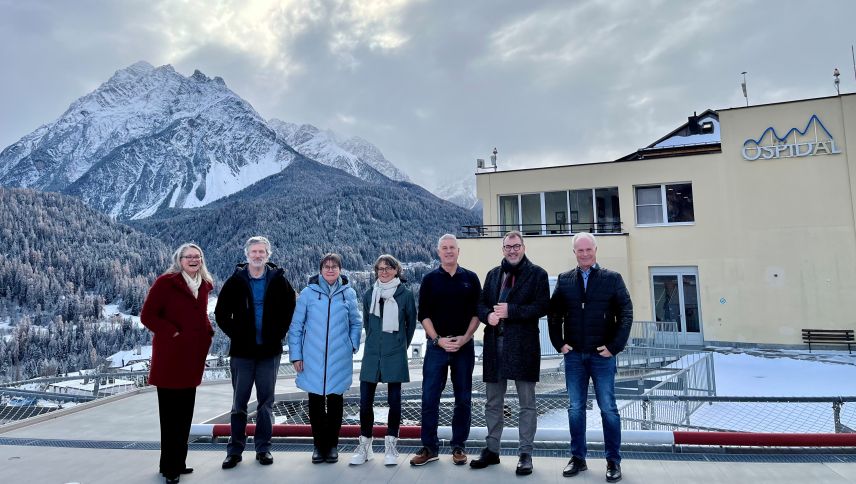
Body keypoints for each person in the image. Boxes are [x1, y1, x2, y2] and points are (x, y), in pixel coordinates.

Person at [548, 232, 633, 483]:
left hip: (602, 356)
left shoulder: (612, 279)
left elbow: (626, 313)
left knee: (608, 409)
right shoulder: (564, 280)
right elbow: (554, 314)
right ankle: (578, 458)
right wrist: (559, 343)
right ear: (574, 252)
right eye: (579, 250)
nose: (584, 254)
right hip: (574, 356)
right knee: (575, 409)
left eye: (588, 249)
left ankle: (613, 461)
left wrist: (614, 346)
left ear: (596, 249)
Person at [471, 231, 549, 476]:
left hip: (523, 348)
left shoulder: (538, 274)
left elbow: (542, 306)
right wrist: (488, 316)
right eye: (508, 246)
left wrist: (510, 311)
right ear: (502, 249)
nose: (512, 250)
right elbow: (481, 305)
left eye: (516, 246)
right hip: (495, 347)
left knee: (527, 404)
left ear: (523, 247)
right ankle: (492, 450)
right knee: (493, 402)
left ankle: (525, 454)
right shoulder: (493, 274)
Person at [215, 236, 296, 470]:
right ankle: (235, 450)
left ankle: (263, 448)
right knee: (239, 403)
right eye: (254, 252)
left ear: (268, 255)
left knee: (265, 403)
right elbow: (221, 314)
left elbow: (289, 308)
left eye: (262, 252)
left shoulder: (279, 281)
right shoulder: (236, 281)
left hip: (269, 352)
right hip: (242, 352)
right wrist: (237, 334)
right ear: (247, 254)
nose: (258, 255)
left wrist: (278, 333)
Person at [140, 243, 215, 484]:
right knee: (170, 417)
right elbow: (148, 315)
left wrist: (207, 332)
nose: (193, 260)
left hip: (192, 358)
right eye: (188, 256)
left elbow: (199, 314)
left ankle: (178, 463)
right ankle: (169, 467)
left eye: (197, 256)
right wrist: (172, 332)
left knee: (185, 416)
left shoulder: (203, 285)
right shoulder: (166, 282)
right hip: (171, 359)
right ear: (179, 259)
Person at [410, 234, 481, 467]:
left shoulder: (470, 278)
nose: (449, 251)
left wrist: (466, 337)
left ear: (458, 251)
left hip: (464, 346)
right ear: (438, 252)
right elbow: (424, 315)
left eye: (452, 247)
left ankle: (458, 446)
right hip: (437, 347)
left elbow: (477, 313)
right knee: (430, 397)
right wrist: (438, 339)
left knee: (463, 398)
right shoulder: (429, 279)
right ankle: (429, 448)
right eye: (444, 248)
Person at [289, 253, 362, 464]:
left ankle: (332, 446)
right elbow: (296, 326)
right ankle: (318, 445)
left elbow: (356, 323)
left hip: (339, 356)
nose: (330, 269)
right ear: (320, 270)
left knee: (336, 401)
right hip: (311, 357)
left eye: (334, 266)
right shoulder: (308, 293)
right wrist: (296, 355)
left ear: (340, 269)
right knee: (316, 402)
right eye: (326, 266)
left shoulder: (348, 293)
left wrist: (352, 345)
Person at [350, 254, 417, 466]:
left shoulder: (405, 295)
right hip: (371, 353)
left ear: (396, 270)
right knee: (364, 402)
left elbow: (411, 324)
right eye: (380, 268)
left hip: (395, 353)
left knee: (394, 401)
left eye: (388, 268)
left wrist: (399, 345)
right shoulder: (370, 293)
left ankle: (391, 446)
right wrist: (373, 343)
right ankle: (365, 446)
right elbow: (367, 324)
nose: (384, 271)